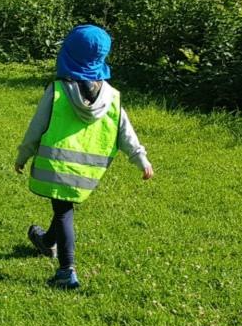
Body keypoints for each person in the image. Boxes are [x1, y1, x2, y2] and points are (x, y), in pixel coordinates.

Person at [15, 25, 154, 290]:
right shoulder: (112, 97)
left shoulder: (57, 91)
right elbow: (126, 132)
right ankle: (46, 241)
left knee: (64, 211)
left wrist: (23, 155)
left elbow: (37, 127)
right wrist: (141, 159)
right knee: (63, 206)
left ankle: (67, 271)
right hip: (87, 172)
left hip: (57, 165)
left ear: (67, 54)